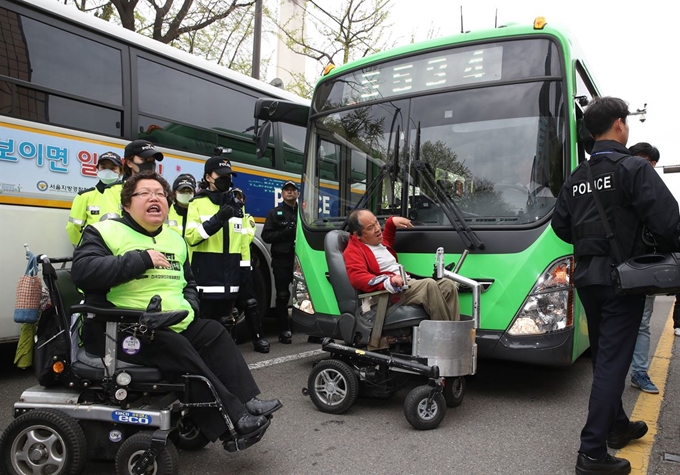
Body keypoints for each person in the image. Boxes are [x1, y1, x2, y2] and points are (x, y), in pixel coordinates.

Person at [71, 172, 281, 446]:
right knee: (173, 346)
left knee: (214, 332)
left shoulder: (175, 240)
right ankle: (232, 421)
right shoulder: (105, 231)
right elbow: (83, 271)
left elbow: (189, 283)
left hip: (168, 324)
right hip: (120, 330)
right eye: (144, 193)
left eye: (159, 194)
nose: (154, 198)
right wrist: (141, 259)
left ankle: (248, 401)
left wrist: (191, 306)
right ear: (126, 204)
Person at [551, 97, 680, 475]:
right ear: (620, 124)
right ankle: (591, 452)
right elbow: (669, 223)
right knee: (611, 362)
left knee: (605, 357)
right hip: (625, 279)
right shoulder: (632, 169)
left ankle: (618, 426)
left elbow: (561, 227)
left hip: (588, 278)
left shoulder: (577, 177)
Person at [344, 209, 460, 321]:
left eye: (377, 223)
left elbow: (388, 237)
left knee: (448, 285)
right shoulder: (353, 251)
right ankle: (444, 338)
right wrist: (387, 280)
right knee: (429, 285)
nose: (378, 229)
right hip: (390, 293)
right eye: (371, 228)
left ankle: (455, 333)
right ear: (357, 235)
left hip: (405, 287)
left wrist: (391, 222)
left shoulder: (377, 242)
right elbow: (357, 278)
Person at [184, 156, 245, 323]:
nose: (225, 179)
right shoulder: (197, 203)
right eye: (220, 175)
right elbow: (191, 238)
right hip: (206, 282)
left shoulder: (237, 207)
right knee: (203, 329)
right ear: (208, 177)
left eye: (228, 175)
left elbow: (243, 244)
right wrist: (218, 219)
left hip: (230, 283)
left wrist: (245, 278)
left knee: (226, 330)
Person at [627, 142, 661, 394]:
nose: (646, 168)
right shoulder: (619, 184)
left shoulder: (652, 192)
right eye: (644, 162)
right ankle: (612, 373)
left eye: (650, 165)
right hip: (617, 265)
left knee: (642, 323)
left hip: (642, 265)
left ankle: (639, 372)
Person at [233, 187, 270, 353]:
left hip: (244, 267)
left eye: (240, 197)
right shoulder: (223, 218)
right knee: (226, 305)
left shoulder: (247, 218)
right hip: (227, 267)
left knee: (250, 303)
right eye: (234, 196)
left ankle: (258, 338)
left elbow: (246, 237)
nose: (237, 200)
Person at [262, 181, 299, 344]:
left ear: (297, 194)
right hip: (282, 260)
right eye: (286, 190)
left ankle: (311, 328)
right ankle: (284, 330)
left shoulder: (303, 214)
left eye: (293, 190)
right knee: (283, 296)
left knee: (304, 296)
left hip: (300, 260)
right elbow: (266, 236)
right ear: (282, 194)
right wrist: (285, 233)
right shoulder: (274, 213)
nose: (290, 192)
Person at [65, 151, 123, 246]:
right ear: (97, 170)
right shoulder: (84, 196)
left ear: (120, 171)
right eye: (103, 167)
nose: (108, 172)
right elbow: (73, 227)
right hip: (94, 250)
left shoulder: (127, 195)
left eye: (113, 168)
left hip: (122, 250)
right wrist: (84, 248)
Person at [167, 173, 196, 238]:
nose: (186, 193)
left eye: (189, 191)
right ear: (174, 193)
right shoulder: (167, 212)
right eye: (182, 191)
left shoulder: (199, 212)